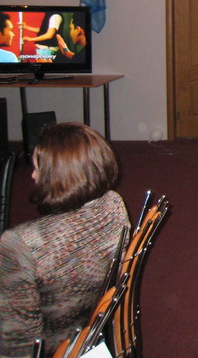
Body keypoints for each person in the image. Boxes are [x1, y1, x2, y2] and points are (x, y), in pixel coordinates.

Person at [0, 122, 130, 358]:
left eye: (38, 168)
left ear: (59, 177)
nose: (32, 175)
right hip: (92, 325)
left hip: (56, 347)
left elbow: (17, 345)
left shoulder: (20, 243)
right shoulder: (114, 203)